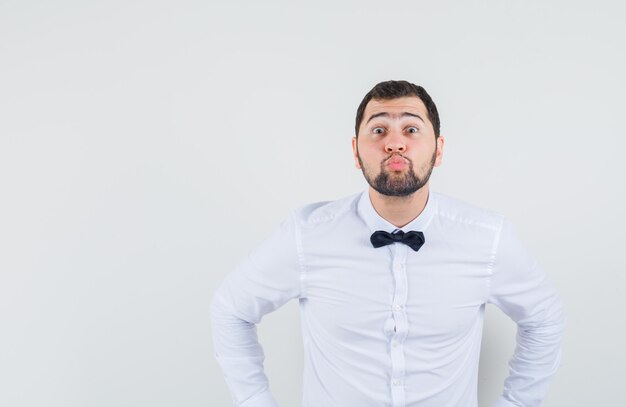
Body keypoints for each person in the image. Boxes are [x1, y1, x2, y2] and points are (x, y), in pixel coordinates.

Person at [211, 80, 565, 407]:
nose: (395, 142)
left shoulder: (487, 237)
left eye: (411, 129)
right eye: (379, 129)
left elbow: (545, 317)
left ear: (438, 149)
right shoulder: (306, 234)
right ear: (356, 151)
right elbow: (232, 309)